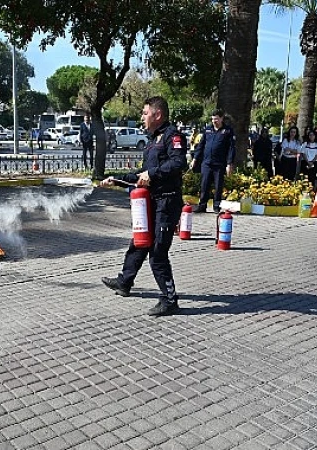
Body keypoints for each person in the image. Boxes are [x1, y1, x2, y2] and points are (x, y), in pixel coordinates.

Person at [100, 96, 187, 316]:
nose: (142, 116)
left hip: (167, 202)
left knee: (157, 253)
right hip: (151, 201)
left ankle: (169, 299)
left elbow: (178, 163)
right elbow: (142, 175)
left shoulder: (172, 136)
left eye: (145, 112)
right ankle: (124, 282)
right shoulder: (152, 140)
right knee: (140, 242)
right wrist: (117, 178)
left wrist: (153, 173)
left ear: (157, 115)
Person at [191, 110, 235, 213]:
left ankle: (216, 206)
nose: (214, 121)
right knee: (204, 184)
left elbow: (231, 148)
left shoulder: (227, 131)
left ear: (221, 118)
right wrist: (194, 159)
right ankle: (202, 205)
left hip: (219, 163)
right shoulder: (207, 130)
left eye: (216, 119)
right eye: (212, 119)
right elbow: (201, 146)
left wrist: (229, 163)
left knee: (218, 185)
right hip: (206, 162)